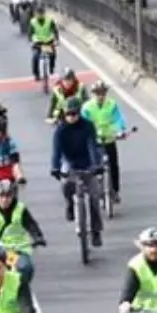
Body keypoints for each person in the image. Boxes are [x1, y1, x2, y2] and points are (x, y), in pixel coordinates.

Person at [50, 97, 103, 246]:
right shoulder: (60, 130)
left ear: (79, 113)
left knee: (94, 196)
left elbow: (93, 146)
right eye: (68, 114)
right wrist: (54, 167)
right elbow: (56, 152)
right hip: (70, 162)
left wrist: (96, 165)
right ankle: (70, 204)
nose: (71, 117)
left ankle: (96, 231)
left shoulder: (88, 126)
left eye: (74, 113)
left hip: (87, 161)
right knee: (66, 183)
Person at [0, 180, 46, 285]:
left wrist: (38, 237)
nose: (5, 199)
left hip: (17, 250)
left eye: (8, 196)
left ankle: (21, 291)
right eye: (1, 196)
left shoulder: (20, 208)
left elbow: (31, 225)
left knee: (25, 268)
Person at [81, 80, 128, 205]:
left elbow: (119, 119)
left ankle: (116, 191)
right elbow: (83, 124)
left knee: (113, 165)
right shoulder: (87, 107)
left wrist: (120, 130)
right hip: (94, 141)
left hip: (109, 138)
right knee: (93, 166)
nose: (100, 96)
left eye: (102, 93)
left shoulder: (112, 105)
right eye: (97, 93)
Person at [28, 4, 59, 82]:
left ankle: (51, 68)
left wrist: (57, 40)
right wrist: (30, 41)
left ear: (44, 13)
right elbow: (30, 33)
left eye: (41, 13)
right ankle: (36, 74)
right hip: (38, 43)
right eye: (38, 13)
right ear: (36, 13)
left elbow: (55, 30)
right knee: (35, 57)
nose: (40, 15)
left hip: (48, 42)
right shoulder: (33, 22)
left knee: (53, 55)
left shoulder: (49, 20)